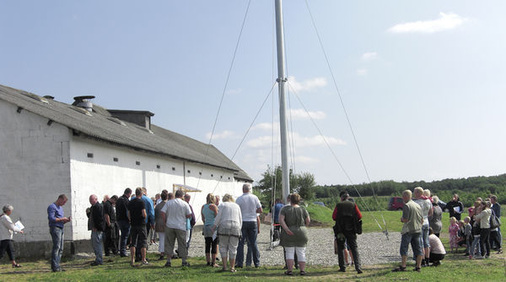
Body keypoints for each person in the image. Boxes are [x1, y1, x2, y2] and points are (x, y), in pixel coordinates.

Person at [392, 190, 423, 272]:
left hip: (409, 230)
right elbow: (422, 219)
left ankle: (403, 265)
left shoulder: (407, 206)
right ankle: (418, 266)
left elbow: (406, 219)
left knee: (404, 248)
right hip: (418, 229)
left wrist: (402, 219)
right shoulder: (417, 205)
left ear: (405, 196)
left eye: (403, 196)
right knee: (418, 248)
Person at [280, 193, 310, 276]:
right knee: (301, 252)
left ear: (290, 199)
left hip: (289, 230)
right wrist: (303, 227)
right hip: (301, 231)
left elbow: (281, 220)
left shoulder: (285, 209)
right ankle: (302, 270)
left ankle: (290, 270)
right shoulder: (303, 209)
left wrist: (286, 229)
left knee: (289, 251)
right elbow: (308, 220)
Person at [332, 191, 362, 274]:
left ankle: (342, 267)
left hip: (340, 230)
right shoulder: (353, 205)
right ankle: (358, 266)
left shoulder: (338, 205)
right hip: (351, 229)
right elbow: (359, 216)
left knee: (341, 247)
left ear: (341, 198)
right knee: (354, 247)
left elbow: (334, 217)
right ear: (348, 198)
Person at [161, 189, 192, 267]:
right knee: (182, 243)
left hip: (170, 225)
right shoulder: (185, 204)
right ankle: (183, 261)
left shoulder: (169, 203)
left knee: (169, 243)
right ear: (182, 196)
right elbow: (189, 215)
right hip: (180, 226)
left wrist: (165, 221)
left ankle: (168, 261)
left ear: (175, 195)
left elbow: (162, 212)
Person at [235, 183, 262, 268]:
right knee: (253, 243)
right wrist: (253, 211)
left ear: (243, 189)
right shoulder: (255, 198)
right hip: (253, 221)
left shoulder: (239, 199)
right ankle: (257, 263)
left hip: (242, 221)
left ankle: (240, 263)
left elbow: (237, 211)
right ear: (249, 190)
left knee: (241, 243)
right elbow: (260, 210)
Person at [213, 194, 242, 272]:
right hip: (236, 226)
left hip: (224, 226)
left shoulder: (222, 205)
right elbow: (240, 218)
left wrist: (214, 226)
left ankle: (225, 267)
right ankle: (232, 267)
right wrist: (240, 229)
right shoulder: (237, 206)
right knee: (233, 248)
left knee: (223, 247)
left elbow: (218, 217)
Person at [47, 194, 71, 272]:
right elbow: (52, 218)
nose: (63, 204)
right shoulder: (52, 207)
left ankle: (57, 265)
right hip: (55, 228)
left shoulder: (60, 208)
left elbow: (60, 221)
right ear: (60, 199)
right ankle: (54, 266)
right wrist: (62, 219)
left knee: (61, 248)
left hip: (61, 228)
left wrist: (65, 220)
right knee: (56, 247)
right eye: (63, 202)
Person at [413, 187, 433, 267]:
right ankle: (428, 259)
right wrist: (425, 216)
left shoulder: (417, 202)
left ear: (418, 193)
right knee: (426, 242)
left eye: (415, 192)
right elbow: (431, 212)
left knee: (420, 243)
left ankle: (423, 260)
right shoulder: (428, 201)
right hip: (426, 221)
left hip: (420, 222)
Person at [128, 188, 148, 267]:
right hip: (141, 224)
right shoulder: (141, 202)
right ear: (141, 194)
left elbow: (129, 214)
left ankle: (132, 259)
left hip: (133, 224)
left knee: (133, 242)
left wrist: (131, 220)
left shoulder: (130, 202)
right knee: (143, 241)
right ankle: (143, 259)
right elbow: (143, 213)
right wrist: (145, 217)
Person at [202, 193, 219, 267]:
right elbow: (217, 217)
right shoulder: (214, 206)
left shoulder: (203, 206)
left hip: (206, 226)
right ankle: (213, 262)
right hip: (213, 227)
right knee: (214, 244)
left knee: (207, 244)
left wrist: (206, 223)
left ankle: (208, 261)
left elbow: (203, 218)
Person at [89, 194, 105, 266]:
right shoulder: (93, 207)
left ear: (96, 199)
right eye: (90, 200)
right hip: (95, 228)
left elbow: (99, 218)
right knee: (95, 244)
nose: (90, 201)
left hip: (97, 229)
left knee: (97, 244)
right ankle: (98, 259)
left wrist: (97, 227)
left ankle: (99, 260)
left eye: (91, 199)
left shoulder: (98, 206)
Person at [116, 188, 132, 257]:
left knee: (123, 235)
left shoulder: (119, 199)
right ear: (128, 193)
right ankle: (123, 251)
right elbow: (127, 212)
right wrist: (130, 219)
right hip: (125, 220)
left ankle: (121, 250)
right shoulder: (126, 201)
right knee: (125, 236)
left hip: (119, 220)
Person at [155, 190, 169, 260]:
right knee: (168, 239)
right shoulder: (168, 205)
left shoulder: (158, 206)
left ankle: (162, 253)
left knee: (161, 239)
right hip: (167, 224)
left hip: (159, 224)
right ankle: (168, 252)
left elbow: (155, 215)